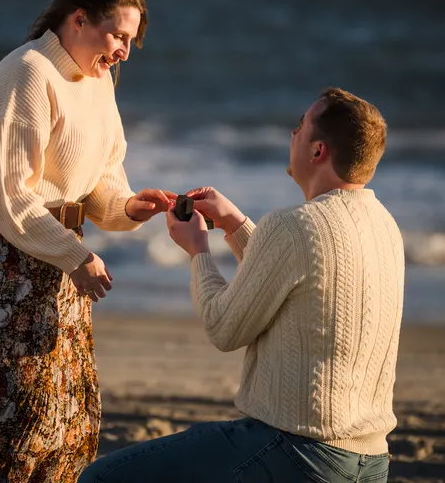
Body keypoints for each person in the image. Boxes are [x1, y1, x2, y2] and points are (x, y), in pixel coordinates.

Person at [0, 0, 175, 483]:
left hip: (55, 269)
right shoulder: (28, 73)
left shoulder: (99, 80)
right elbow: (8, 195)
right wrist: (76, 256)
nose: (124, 51)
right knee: (1, 435)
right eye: (118, 35)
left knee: (67, 429)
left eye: (131, 40)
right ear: (78, 19)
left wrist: (128, 208)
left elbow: (100, 181)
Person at [79, 88, 405, 483]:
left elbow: (224, 327)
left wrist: (197, 248)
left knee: (103, 478)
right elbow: (296, 276)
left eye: (299, 128)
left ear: (318, 151)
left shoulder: (294, 226)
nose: (292, 135)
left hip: (298, 451)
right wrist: (233, 223)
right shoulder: (384, 225)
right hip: (371, 462)